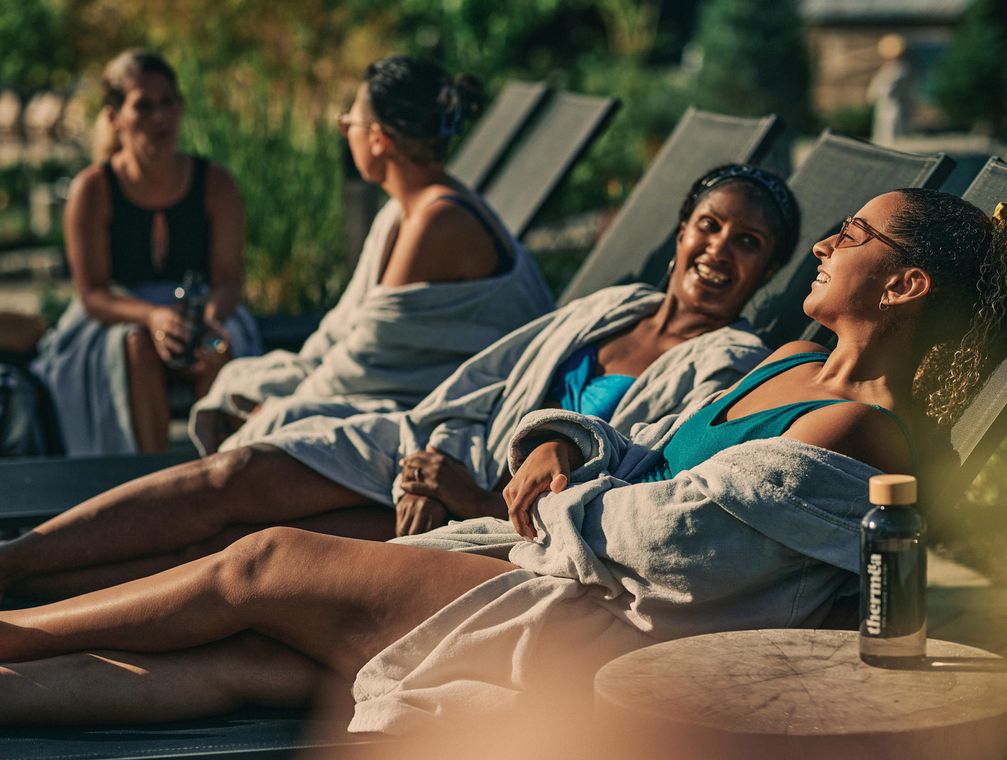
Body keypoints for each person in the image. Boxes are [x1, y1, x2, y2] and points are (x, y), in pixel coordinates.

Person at [0, 189, 1007, 732]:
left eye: (853, 235)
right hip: (547, 554)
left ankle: (12, 627)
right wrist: (562, 439)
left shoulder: (864, 436)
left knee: (262, 564)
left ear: (904, 287)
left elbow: (678, 546)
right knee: (250, 666)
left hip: (595, 614)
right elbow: (638, 445)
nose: (825, 245)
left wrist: (552, 508)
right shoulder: (783, 362)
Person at [0, 163, 799, 596]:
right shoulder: (613, 306)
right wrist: (432, 462)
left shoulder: (727, 362)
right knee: (236, 471)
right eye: (709, 225)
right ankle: (20, 562)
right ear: (681, 231)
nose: (719, 251)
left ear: (766, 271)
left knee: (232, 546)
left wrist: (473, 494)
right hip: (437, 449)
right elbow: (480, 388)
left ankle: (36, 615)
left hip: (504, 523)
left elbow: (641, 485)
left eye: (749, 243)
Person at [188, 56, 553, 455]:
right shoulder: (404, 209)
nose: (345, 133)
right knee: (244, 384)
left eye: (350, 124)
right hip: (404, 384)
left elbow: (368, 355)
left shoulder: (437, 221)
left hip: (466, 410)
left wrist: (281, 405)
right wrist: (290, 383)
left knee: (278, 425)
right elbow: (349, 327)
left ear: (378, 138)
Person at [30, 50, 261, 455]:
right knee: (135, 346)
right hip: (117, 314)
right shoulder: (93, 190)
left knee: (216, 349)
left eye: (168, 102)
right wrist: (152, 317)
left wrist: (205, 321)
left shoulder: (216, 184)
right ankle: (148, 480)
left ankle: (220, 476)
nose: (160, 117)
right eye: (144, 106)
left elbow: (227, 280)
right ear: (115, 116)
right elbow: (94, 294)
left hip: (203, 306)